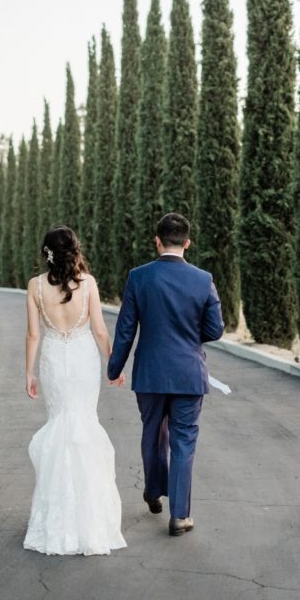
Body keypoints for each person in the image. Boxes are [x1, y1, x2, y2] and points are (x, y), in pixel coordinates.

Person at [107, 213, 224, 536]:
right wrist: (188, 337)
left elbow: (125, 330)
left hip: (150, 373)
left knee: (153, 433)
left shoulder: (139, 277)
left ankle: (153, 491)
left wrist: (114, 368)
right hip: (188, 372)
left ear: (157, 241)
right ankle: (180, 516)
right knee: (183, 440)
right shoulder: (203, 279)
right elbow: (215, 329)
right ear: (187, 243)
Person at [23, 226, 127, 556]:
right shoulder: (89, 284)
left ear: (47, 253)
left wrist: (28, 371)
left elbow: (33, 335)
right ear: (74, 251)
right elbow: (98, 330)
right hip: (82, 360)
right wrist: (114, 364)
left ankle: (59, 518)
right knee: (82, 426)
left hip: (54, 359)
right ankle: (90, 518)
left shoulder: (35, 287)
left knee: (61, 426)